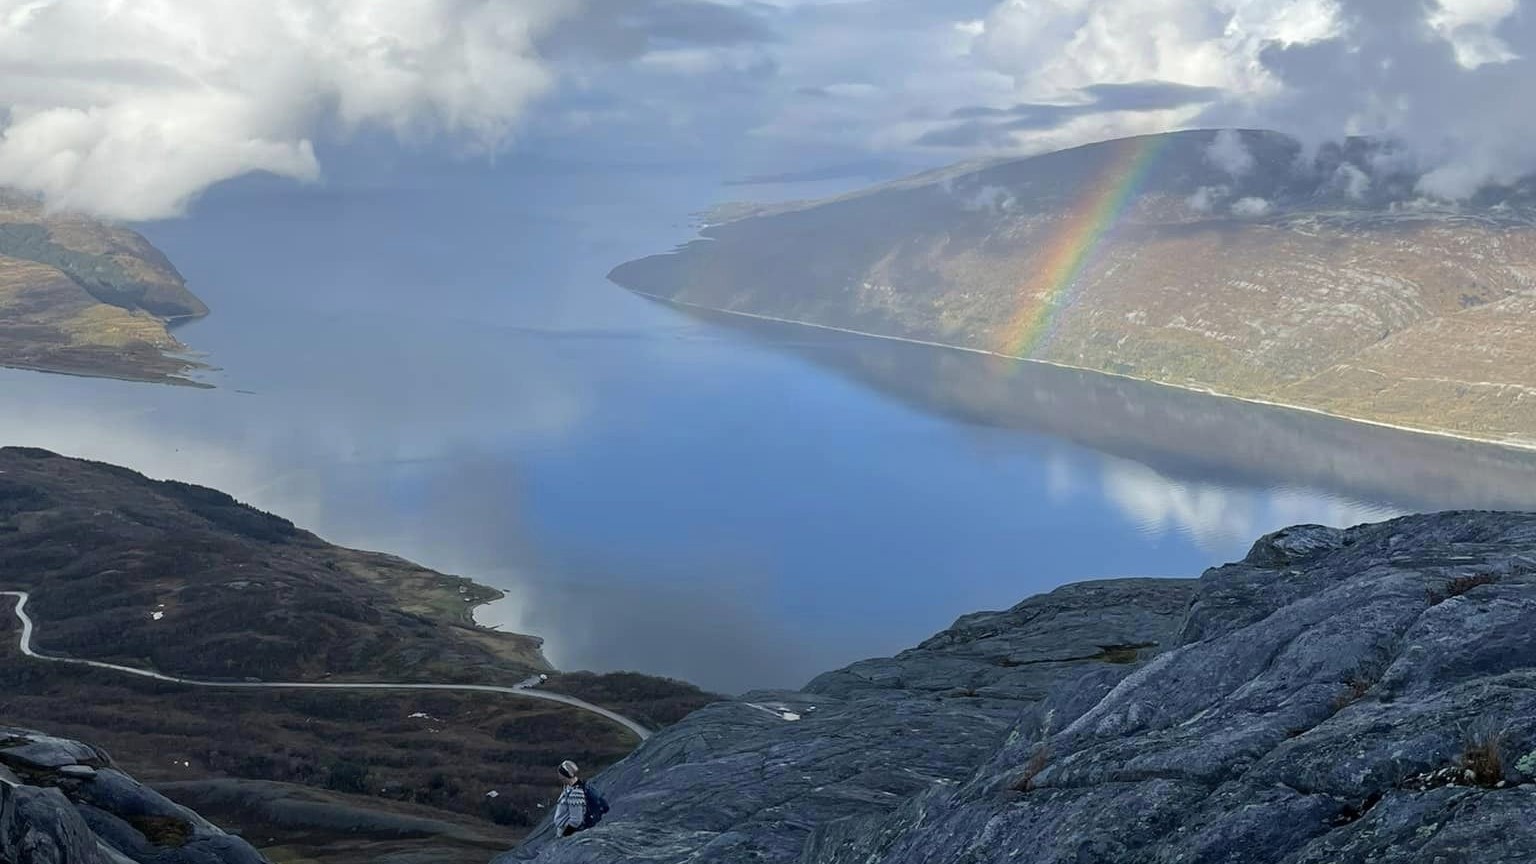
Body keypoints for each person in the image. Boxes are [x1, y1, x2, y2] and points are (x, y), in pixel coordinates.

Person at [553, 760, 587, 837]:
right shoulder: (569, 788)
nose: (559, 777)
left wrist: (565, 836)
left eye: (560, 774)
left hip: (568, 832)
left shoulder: (576, 793)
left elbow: (576, 820)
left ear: (565, 775)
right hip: (563, 829)